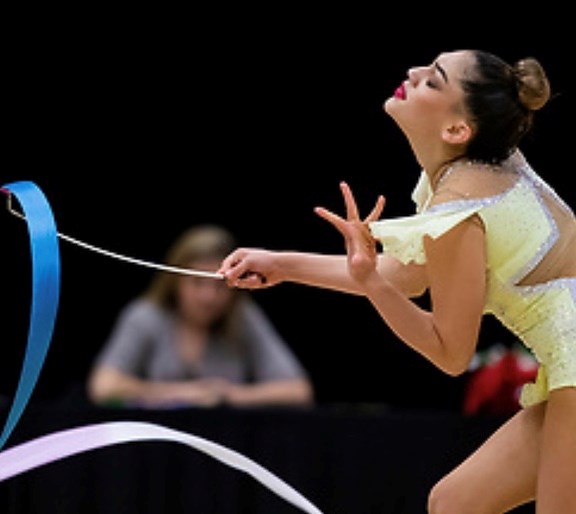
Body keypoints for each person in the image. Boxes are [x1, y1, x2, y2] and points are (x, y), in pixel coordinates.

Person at [218, 50, 576, 513]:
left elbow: (450, 352)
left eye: (434, 80)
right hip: (569, 364)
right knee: (454, 504)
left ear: (456, 130)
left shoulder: (460, 205)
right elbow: (407, 275)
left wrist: (371, 282)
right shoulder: (479, 164)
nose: (414, 72)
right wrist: (283, 265)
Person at [87, 224, 314, 409]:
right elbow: (104, 386)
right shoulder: (146, 316)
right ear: (175, 280)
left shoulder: (242, 317)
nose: (209, 297)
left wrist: (227, 395)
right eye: (198, 283)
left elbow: (297, 390)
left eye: (220, 285)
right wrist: (187, 394)